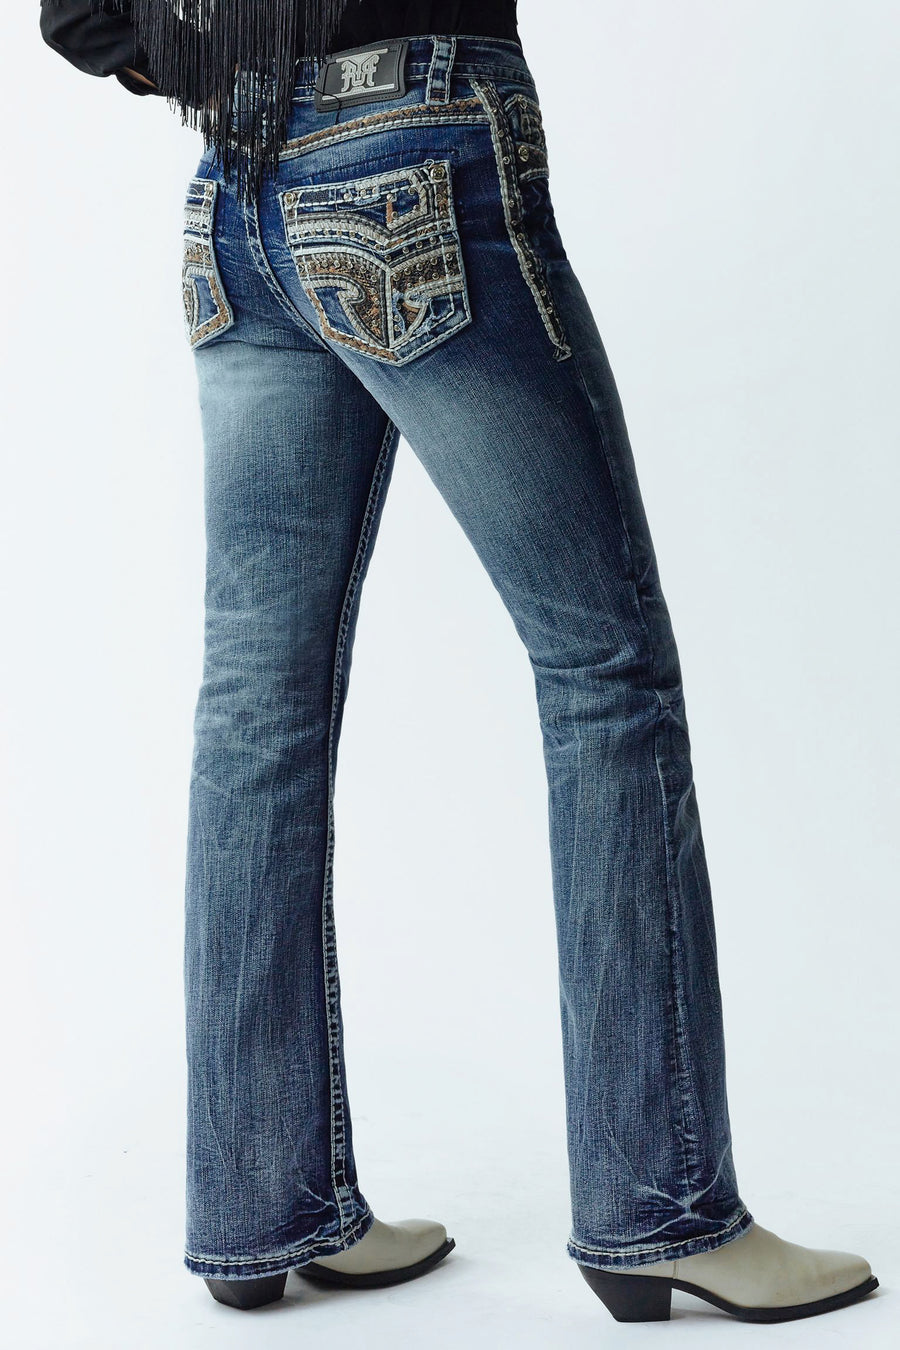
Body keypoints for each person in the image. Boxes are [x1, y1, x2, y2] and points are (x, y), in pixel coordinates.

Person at [40, 0, 879, 1324]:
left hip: (235, 191)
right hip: (415, 144)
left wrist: (225, 67)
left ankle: (259, 1208)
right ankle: (660, 1208)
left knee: (257, 707)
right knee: (605, 673)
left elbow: (80, 14)